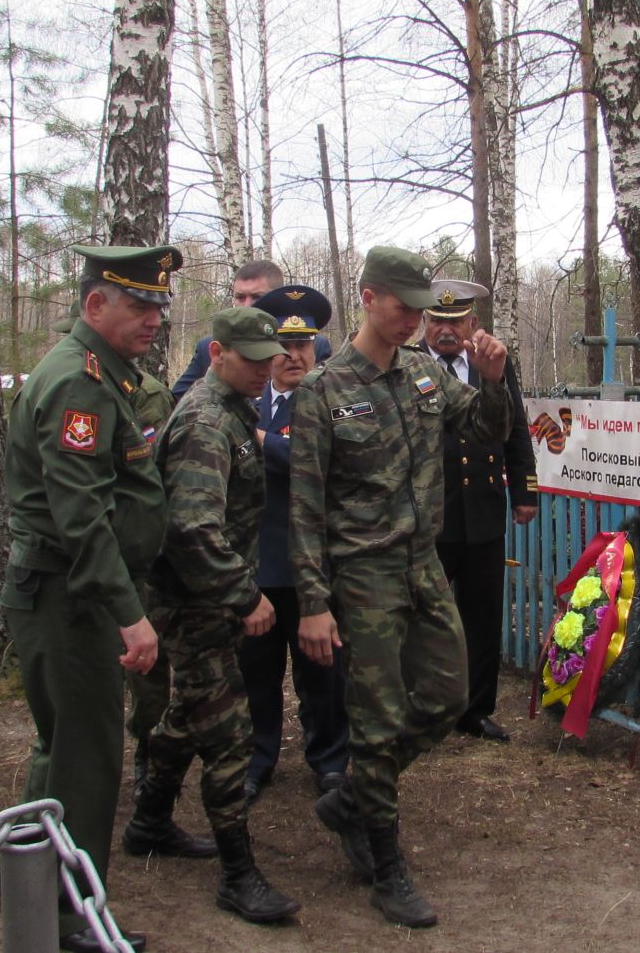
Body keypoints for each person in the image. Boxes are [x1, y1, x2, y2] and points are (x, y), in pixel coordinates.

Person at [289, 246, 513, 928]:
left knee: (449, 695)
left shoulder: (423, 375)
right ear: (367, 296)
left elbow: (484, 428)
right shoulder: (323, 390)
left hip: (422, 567)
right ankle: (387, 865)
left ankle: (353, 794)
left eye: (422, 307)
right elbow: (305, 506)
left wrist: (495, 381)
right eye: (403, 305)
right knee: (379, 721)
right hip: (363, 579)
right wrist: (314, 603)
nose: (416, 318)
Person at [3, 243, 185, 953]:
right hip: (70, 595)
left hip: (67, 591)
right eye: (139, 304)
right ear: (93, 305)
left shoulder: (104, 374)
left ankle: (26, 888)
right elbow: (80, 516)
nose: (153, 319)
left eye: (158, 306)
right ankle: (69, 920)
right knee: (85, 756)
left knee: (61, 749)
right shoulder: (79, 383)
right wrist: (129, 614)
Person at [133, 306, 300, 924]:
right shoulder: (207, 422)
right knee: (231, 734)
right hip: (192, 600)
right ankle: (238, 874)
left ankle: (150, 821)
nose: (265, 369)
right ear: (216, 355)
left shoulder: (231, 412)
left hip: (201, 598)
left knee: (187, 715)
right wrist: (245, 595)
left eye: (269, 358)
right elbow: (192, 529)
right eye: (252, 359)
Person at [239, 285, 350, 800]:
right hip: (258, 570)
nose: (294, 355)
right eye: (284, 346)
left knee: (323, 674)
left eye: (304, 344)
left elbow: (321, 463)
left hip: (316, 570)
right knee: (256, 674)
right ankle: (257, 760)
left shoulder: (333, 401)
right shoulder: (245, 401)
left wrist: (263, 441)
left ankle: (329, 761)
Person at [423, 279, 537, 743]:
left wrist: (525, 490)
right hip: (430, 514)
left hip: (483, 509)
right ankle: (425, 711)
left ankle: (476, 709)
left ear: (473, 324)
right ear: (424, 323)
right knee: (424, 618)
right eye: (437, 320)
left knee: (483, 614)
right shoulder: (409, 367)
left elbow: (515, 427)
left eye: (456, 321)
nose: (446, 330)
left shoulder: (490, 366)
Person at [170, 260, 331, 400]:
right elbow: (178, 401)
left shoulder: (313, 345)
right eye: (240, 297)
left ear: (277, 300)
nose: (247, 305)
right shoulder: (215, 347)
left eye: (257, 297)